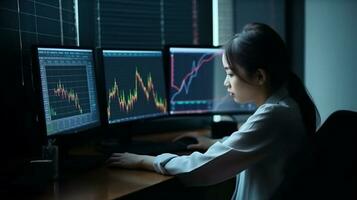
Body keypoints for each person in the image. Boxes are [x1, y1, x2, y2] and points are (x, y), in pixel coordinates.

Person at [107, 23, 320, 200]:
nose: (226, 83)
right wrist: (216, 144)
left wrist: (145, 161)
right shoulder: (284, 106)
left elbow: (201, 169)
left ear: (259, 77)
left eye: (230, 73)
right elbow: (249, 140)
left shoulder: (274, 116)